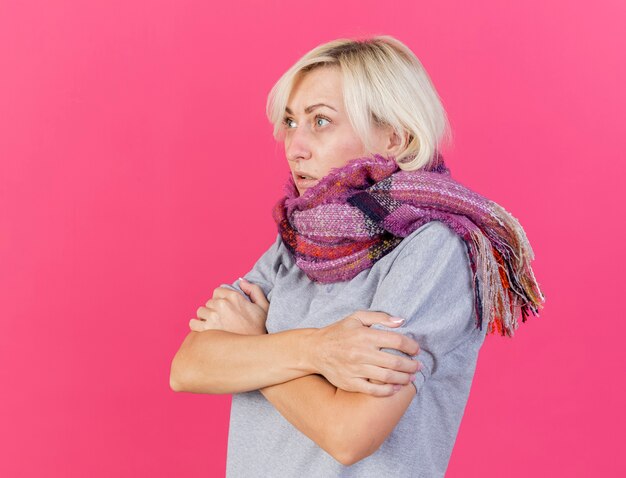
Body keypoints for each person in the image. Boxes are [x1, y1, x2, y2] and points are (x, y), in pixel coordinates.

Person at [170, 35, 545, 477]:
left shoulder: (436, 248)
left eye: (321, 121)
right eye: (291, 123)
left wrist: (254, 346)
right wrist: (319, 349)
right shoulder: (299, 243)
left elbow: (350, 434)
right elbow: (189, 366)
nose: (295, 147)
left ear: (395, 137)